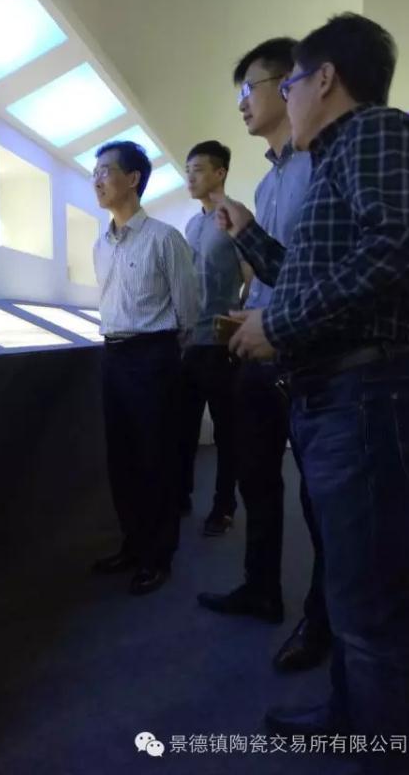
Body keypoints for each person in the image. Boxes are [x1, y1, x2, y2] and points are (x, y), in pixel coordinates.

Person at [220, 13, 409, 771]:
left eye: (291, 84)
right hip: (344, 395)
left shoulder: (375, 131)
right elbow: (313, 272)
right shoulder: (339, 156)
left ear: (325, 79)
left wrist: (279, 325)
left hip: (366, 393)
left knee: (373, 606)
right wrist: (249, 235)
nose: (286, 98)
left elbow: (405, 242)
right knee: (352, 587)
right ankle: (350, 716)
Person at [197, 38, 331, 672]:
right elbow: (272, 270)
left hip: (304, 347)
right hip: (258, 346)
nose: (242, 103)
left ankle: (323, 620)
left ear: (290, 84)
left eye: (249, 88)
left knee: (319, 495)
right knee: (255, 474)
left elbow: (313, 274)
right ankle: (261, 587)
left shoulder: (321, 165)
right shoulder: (267, 179)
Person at [91, 141, 200, 596]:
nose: (97, 179)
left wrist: (162, 355)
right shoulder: (100, 244)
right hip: (113, 356)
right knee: (122, 459)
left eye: (106, 171)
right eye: (95, 172)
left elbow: (188, 311)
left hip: (153, 357)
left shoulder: (164, 239)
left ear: (133, 178)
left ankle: (158, 556)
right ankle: (133, 544)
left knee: (156, 458)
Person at [180, 140, 251, 536]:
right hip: (190, 343)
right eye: (187, 171)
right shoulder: (192, 225)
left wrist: (239, 323)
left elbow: (251, 277)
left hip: (222, 345)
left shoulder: (235, 217)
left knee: (227, 431)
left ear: (220, 173)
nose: (190, 178)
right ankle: (181, 495)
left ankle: (224, 505)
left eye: (198, 170)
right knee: (183, 427)